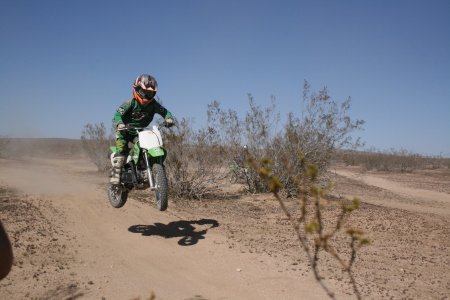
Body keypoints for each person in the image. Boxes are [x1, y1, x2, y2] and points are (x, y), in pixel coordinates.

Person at [110, 74, 174, 185]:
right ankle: (116, 174)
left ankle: (145, 168)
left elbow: (165, 112)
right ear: (137, 89)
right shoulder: (130, 102)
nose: (146, 96)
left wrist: (169, 119)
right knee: (121, 148)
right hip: (124, 130)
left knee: (148, 146)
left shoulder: (153, 104)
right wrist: (120, 124)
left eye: (150, 93)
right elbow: (117, 114)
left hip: (139, 131)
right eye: (144, 92)